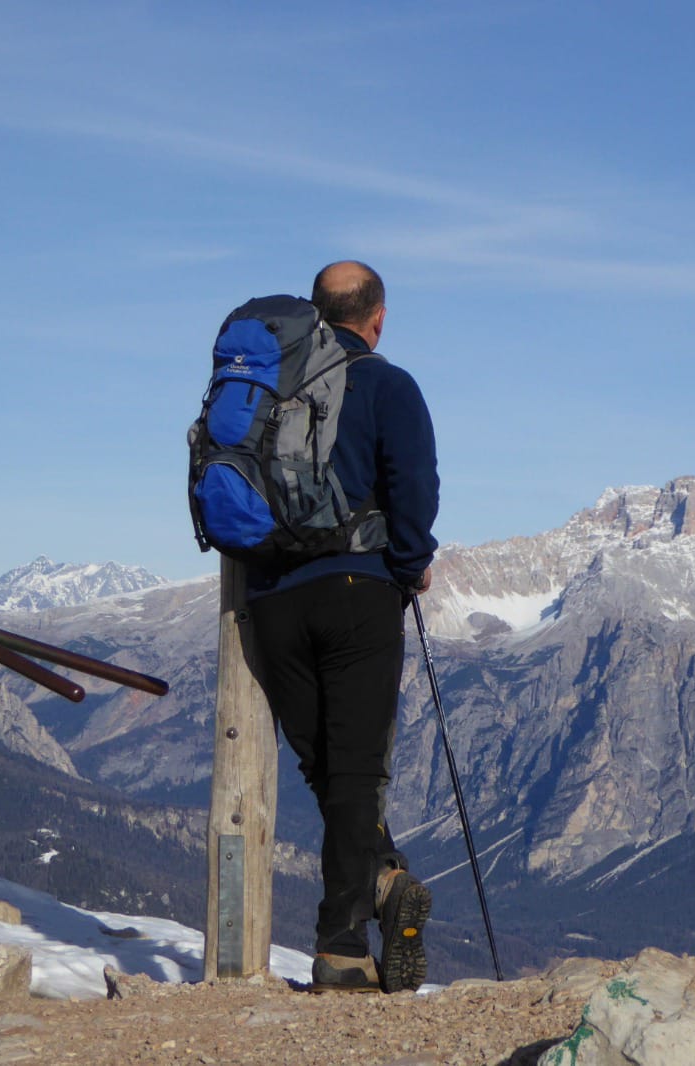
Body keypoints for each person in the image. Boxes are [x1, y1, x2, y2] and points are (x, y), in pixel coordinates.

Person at [246, 260, 439, 993]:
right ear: (378, 318)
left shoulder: (267, 388)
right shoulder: (389, 385)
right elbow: (414, 486)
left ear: (313, 313)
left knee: (324, 767)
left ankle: (384, 878)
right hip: (359, 591)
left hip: (273, 598)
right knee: (355, 769)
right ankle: (342, 947)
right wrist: (410, 564)